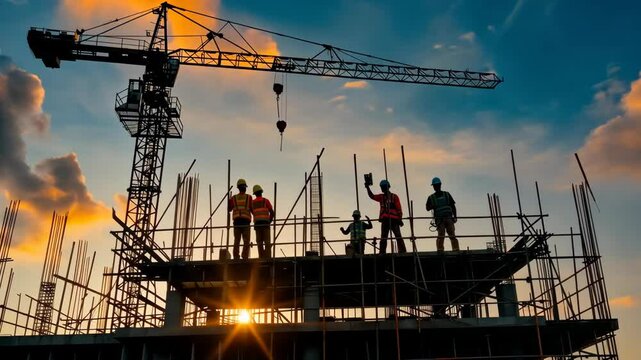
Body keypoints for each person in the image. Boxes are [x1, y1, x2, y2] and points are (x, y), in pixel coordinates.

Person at [366, 179, 407, 254]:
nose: (382, 188)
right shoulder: (381, 197)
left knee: (397, 236)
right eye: (382, 187)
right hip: (386, 220)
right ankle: (382, 252)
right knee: (384, 238)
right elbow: (372, 196)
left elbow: (399, 209)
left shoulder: (394, 197)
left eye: (383, 186)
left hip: (394, 220)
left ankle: (402, 251)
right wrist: (367, 188)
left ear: (387, 187)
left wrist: (400, 219)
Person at [426, 177, 460, 252]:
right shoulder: (431, 197)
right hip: (439, 219)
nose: (436, 187)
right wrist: (432, 206)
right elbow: (427, 208)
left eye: (437, 185)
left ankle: (455, 249)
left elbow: (453, 206)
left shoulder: (446, 194)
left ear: (440, 185)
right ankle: (440, 249)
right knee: (441, 235)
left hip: (448, 217)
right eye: (435, 186)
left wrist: (455, 216)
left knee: (452, 234)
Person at [228, 178, 253, 259]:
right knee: (246, 241)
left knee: (237, 240)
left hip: (237, 221)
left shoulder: (234, 198)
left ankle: (236, 256)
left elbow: (229, 209)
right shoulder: (249, 197)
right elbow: (252, 209)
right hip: (245, 221)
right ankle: (244, 255)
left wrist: (229, 201)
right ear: (244, 187)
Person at [251, 184, 274, 259]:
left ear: (255, 194)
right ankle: (268, 257)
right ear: (261, 192)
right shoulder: (265, 201)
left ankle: (261, 257)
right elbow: (272, 212)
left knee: (259, 242)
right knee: (267, 242)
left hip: (257, 225)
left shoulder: (252, 202)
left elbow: (252, 212)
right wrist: (269, 221)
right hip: (265, 224)